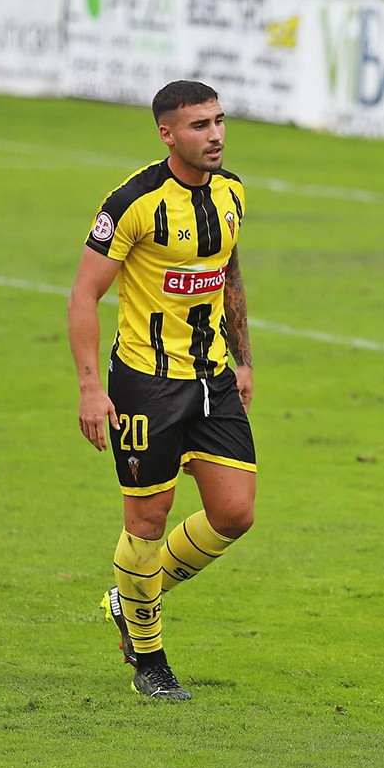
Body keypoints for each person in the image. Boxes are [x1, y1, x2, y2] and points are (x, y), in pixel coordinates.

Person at [67, 80, 256, 702]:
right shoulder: (132, 203)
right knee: (148, 519)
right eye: (200, 125)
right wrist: (90, 389)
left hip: (212, 378)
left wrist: (244, 360)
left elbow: (228, 271)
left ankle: (130, 595)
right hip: (146, 383)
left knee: (235, 512)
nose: (216, 135)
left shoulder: (231, 193)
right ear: (167, 133)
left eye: (219, 121)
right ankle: (148, 660)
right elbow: (84, 294)